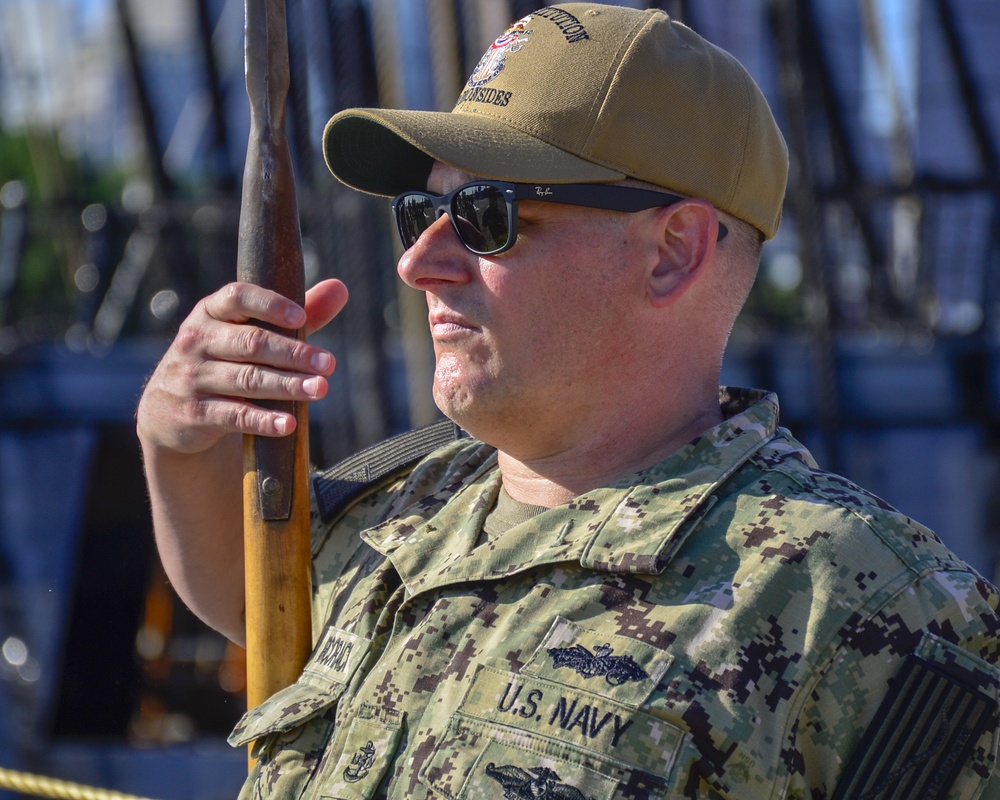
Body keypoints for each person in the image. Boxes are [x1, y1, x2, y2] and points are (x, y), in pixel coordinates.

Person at [136, 4, 1000, 799]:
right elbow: (262, 609)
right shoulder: (407, 507)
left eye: (484, 214)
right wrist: (181, 444)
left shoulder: (858, 599)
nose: (418, 263)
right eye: (419, 212)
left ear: (672, 252)